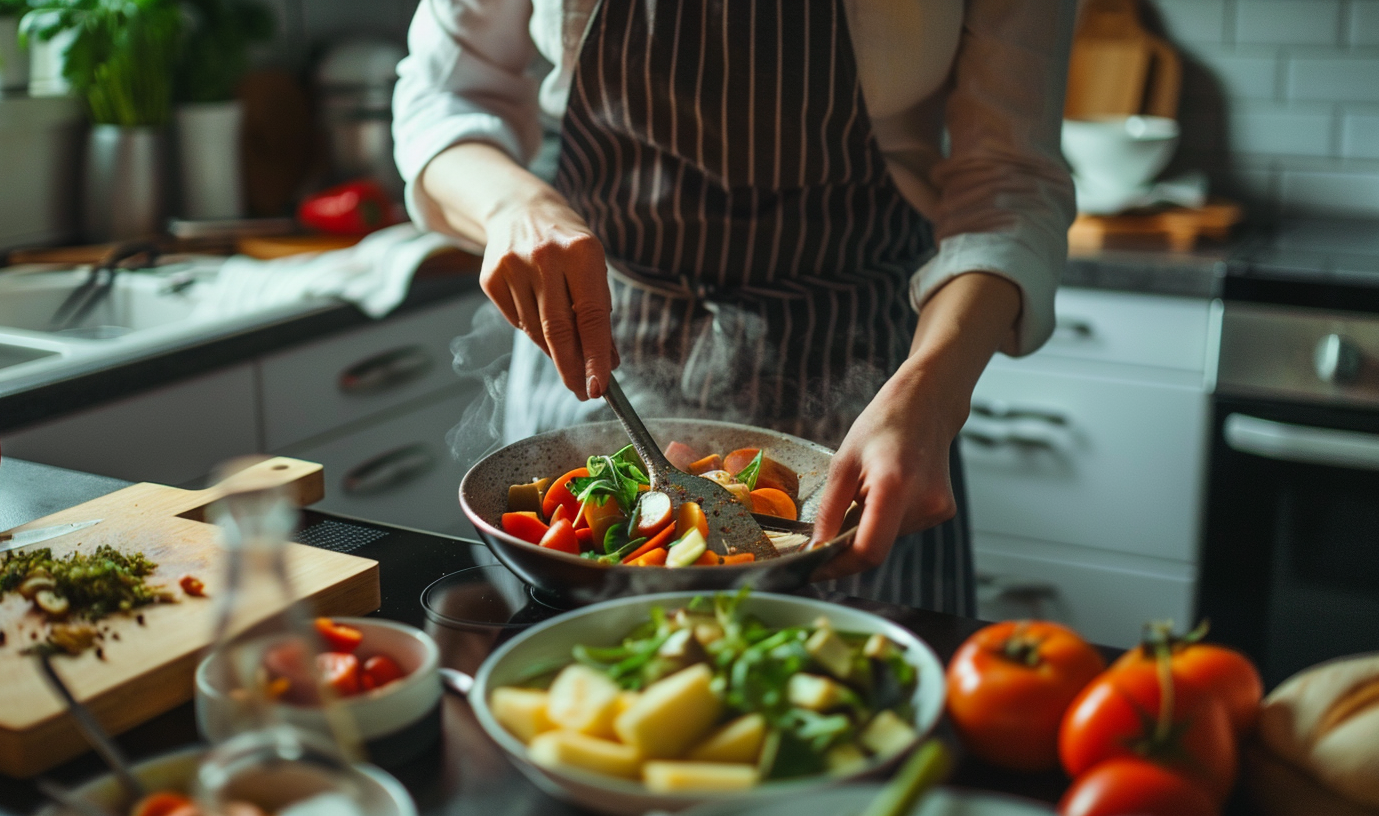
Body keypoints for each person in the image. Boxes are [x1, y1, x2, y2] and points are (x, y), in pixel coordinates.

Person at [393, 0, 1076, 615]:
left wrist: (934, 387)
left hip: (865, 371)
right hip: (598, 334)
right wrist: (515, 206)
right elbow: (440, 94)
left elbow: (1010, 182)